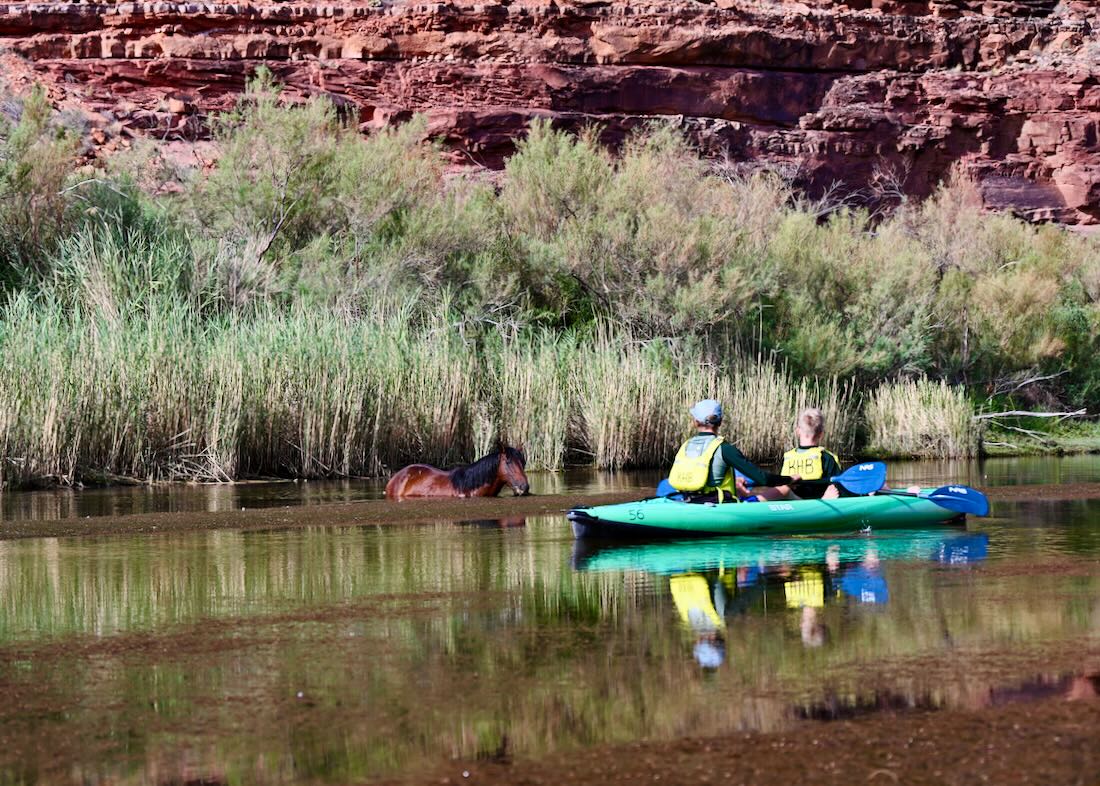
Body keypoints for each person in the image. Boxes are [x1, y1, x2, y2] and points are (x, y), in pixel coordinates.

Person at [669, 399, 798, 503]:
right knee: (784, 489)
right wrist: (789, 479)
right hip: (717, 504)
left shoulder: (686, 446)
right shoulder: (724, 449)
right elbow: (764, 480)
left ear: (696, 422)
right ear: (720, 422)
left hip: (686, 500)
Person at [779, 407, 843, 500]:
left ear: (798, 431)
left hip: (791, 503)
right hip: (820, 504)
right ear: (821, 434)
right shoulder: (827, 458)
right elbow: (840, 488)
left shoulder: (787, 457)